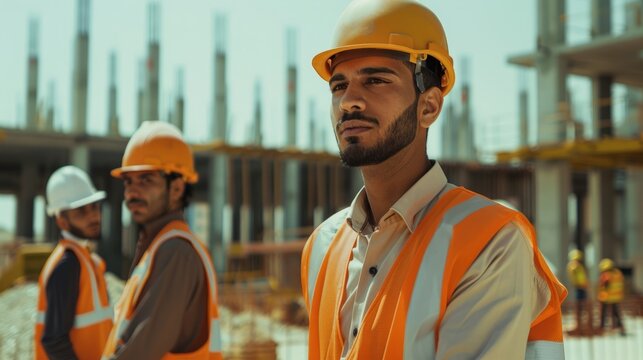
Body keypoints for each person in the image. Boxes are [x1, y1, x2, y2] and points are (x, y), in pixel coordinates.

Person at [300, 0, 567, 359]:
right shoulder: (322, 247)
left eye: (376, 80)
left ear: (429, 106)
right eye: (338, 86)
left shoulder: (490, 241)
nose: (350, 101)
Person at [102, 121, 222, 359]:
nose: (132, 193)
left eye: (146, 180)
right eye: (128, 182)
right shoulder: (157, 248)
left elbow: (139, 353)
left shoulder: (176, 252)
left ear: (176, 188)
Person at [35, 165, 113, 360]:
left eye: (94, 207)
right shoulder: (67, 265)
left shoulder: (88, 260)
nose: (93, 216)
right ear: (61, 220)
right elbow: (54, 341)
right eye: (81, 211)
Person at [566, 249, 591, 335]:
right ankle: (578, 325)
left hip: (582, 288)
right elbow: (574, 277)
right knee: (579, 306)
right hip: (579, 288)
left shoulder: (579, 266)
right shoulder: (574, 266)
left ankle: (581, 325)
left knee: (582, 306)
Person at [597, 258, 625, 335]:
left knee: (603, 313)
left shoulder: (606, 274)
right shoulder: (618, 273)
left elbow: (605, 285)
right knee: (616, 313)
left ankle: (602, 328)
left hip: (607, 297)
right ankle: (620, 327)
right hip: (616, 297)